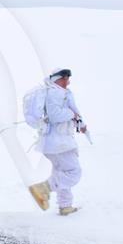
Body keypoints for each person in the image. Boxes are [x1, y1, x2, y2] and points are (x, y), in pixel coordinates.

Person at [24, 68, 87, 215]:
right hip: (59, 143)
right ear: (59, 78)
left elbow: (63, 114)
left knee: (62, 172)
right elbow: (55, 115)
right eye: (66, 78)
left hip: (56, 142)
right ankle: (43, 188)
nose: (68, 81)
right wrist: (72, 114)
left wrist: (81, 124)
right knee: (73, 172)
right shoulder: (55, 92)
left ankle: (65, 206)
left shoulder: (57, 92)